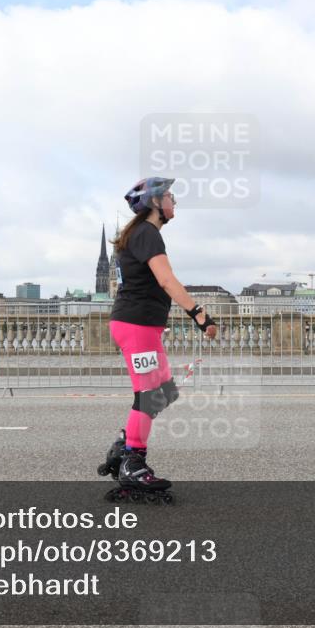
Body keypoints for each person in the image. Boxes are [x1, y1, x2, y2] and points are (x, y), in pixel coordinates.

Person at [98, 177, 218, 498]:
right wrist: (199, 314)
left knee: (165, 391)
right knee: (148, 394)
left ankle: (125, 446)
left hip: (142, 326)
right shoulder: (147, 234)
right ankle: (134, 461)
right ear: (154, 203)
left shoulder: (141, 234)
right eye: (169, 196)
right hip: (136, 326)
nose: (173, 201)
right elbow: (166, 280)